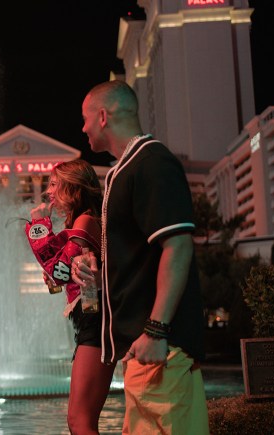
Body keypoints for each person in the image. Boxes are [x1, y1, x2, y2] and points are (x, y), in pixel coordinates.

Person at [74, 80, 209, 434]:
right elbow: (140, 259)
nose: (83, 128)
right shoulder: (126, 169)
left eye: (85, 118)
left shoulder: (150, 162)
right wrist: (96, 272)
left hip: (160, 349)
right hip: (145, 350)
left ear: (103, 117)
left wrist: (156, 330)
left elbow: (178, 246)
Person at [24, 159, 115, 434]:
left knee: (79, 421)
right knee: (79, 420)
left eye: (54, 184)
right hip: (91, 320)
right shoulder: (80, 222)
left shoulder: (85, 221)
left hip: (96, 322)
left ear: (72, 188)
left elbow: (59, 271)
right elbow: (59, 270)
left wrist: (39, 225)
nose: (48, 191)